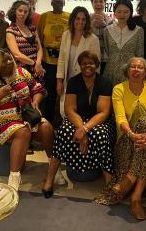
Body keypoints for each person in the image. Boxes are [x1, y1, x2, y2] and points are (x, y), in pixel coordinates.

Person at [95, 57, 146, 221]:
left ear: (145, 72)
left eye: (140, 67)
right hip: (128, 139)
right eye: (133, 67)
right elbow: (120, 119)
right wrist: (133, 135)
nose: (136, 70)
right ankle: (136, 199)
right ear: (127, 71)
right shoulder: (119, 89)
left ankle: (132, 186)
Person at [0, 49, 56, 192]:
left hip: (26, 118)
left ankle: (53, 170)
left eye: (10, 59)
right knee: (23, 131)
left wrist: (36, 102)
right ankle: (14, 178)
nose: (9, 62)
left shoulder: (22, 73)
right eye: (4, 61)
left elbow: (38, 90)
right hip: (0, 123)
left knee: (47, 127)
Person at [42, 51, 114, 198]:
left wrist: (86, 129)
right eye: (84, 63)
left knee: (100, 135)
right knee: (63, 132)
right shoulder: (73, 82)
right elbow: (69, 109)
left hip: (98, 120)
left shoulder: (105, 83)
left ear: (97, 65)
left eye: (91, 63)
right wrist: (82, 129)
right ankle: (49, 180)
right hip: (77, 119)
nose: (88, 66)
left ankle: (110, 184)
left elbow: (103, 113)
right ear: (80, 65)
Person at [56, 6, 100, 117]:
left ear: (87, 22)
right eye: (77, 18)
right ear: (72, 19)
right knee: (64, 112)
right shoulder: (66, 35)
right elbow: (61, 59)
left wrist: (92, 85)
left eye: (83, 19)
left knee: (80, 112)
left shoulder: (92, 39)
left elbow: (96, 65)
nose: (80, 22)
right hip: (67, 81)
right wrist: (59, 81)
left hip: (85, 81)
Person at [37, 0, 70, 125]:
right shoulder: (44, 17)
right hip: (48, 62)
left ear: (64, 2)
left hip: (65, 61)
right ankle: (47, 123)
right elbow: (38, 37)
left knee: (64, 93)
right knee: (49, 94)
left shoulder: (70, 16)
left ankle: (63, 123)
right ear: (51, 2)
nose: (57, 1)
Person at [103, 0, 144, 86]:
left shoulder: (138, 30)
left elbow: (140, 55)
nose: (122, 15)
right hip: (110, 72)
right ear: (114, 12)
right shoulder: (107, 30)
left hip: (130, 72)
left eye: (126, 12)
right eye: (119, 11)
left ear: (130, 13)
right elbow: (107, 51)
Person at [6, 0, 44, 82]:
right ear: (14, 11)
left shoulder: (32, 28)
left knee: (39, 93)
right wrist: (34, 63)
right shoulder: (11, 31)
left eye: (25, 12)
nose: (22, 13)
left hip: (37, 70)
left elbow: (39, 49)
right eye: (20, 11)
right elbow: (17, 55)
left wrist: (38, 63)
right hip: (21, 72)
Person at [90, 0, 113, 74]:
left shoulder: (111, 21)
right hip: (90, 56)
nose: (98, 4)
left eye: (101, 1)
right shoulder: (87, 19)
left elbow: (112, 41)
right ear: (92, 4)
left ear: (105, 3)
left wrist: (105, 26)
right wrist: (90, 26)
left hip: (106, 58)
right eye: (95, 1)